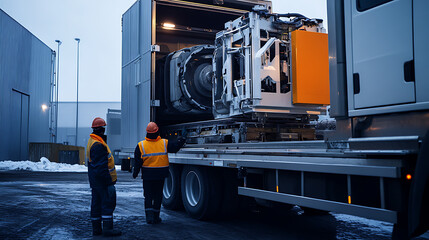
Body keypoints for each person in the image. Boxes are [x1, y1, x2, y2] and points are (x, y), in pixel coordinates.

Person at [133, 122, 186, 224]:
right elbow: (175, 147)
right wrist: (182, 139)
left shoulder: (141, 145)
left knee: (148, 196)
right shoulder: (164, 143)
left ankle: (149, 218)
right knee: (158, 196)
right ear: (157, 131)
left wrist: (135, 173)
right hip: (160, 175)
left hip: (148, 176)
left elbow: (137, 162)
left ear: (147, 132)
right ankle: (156, 217)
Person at [86, 117, 122, 237]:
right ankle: (107, 229)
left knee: (96, 204)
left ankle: (96, 229)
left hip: (95, 181)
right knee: (107, 203)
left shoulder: (93, 141)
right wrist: (108, 182)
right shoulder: (98, 145)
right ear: (102, 130)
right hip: (102, 182)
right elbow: (101, 168)